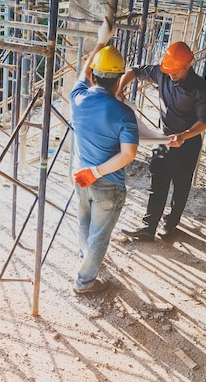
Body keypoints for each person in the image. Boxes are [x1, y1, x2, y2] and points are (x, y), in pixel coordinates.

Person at [118, 41, 206, 240]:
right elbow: (135, 71)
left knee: (181, 186)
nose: (171, 75)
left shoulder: (201, 90)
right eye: (168, 71)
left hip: (187, 143)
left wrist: (184, 136)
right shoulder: (163, 72)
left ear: (188, 66)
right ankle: (148, 227)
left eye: (176, 72)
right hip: (163, 140)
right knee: (158, 180)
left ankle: (170, 224)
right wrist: (119, 89)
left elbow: (203, 121)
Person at [70, 18, 139, 294]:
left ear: (93, 76)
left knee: (84, 223)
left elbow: (82, 72)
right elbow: (128, 154)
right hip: (106, 183)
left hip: (80, 175)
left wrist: (101, 40)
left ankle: (84, 257)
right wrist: (98, 172)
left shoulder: (77, 98)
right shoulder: (124, 114)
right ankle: (84, 282)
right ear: (119, 79)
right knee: (99, 236)